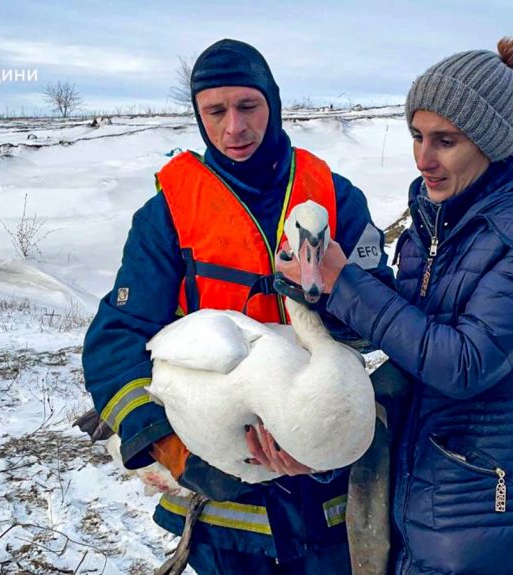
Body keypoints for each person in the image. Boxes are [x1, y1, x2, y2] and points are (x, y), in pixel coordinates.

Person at [276, 35, 513, 574]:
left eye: (445, 140)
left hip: (485, 505)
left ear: (491, 141)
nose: (424, 159)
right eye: (417, 136)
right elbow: (410, 329)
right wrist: (319, 291)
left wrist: (345, 281)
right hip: (411, 485)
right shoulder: (436, 215)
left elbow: (463, 362)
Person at [82, 39, 393, 574]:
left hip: (329, 497)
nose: (234, 128)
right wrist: (181, 455)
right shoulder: (168, 215)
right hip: (226, 513)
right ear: (199, 116)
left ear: (272, 103)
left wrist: (328, 429)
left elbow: (383, 323)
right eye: (215, 111)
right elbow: (116, 342)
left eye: (247, 107)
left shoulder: (336, 200)